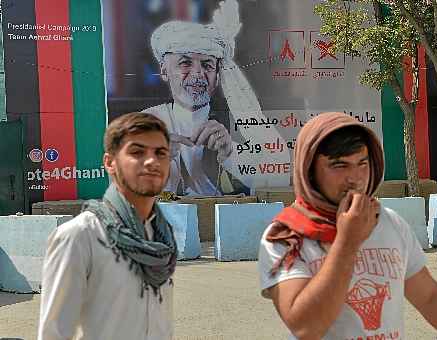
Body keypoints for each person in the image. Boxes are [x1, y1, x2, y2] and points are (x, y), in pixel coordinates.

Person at [258, 112, 437, 339]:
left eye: (362, 163)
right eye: (339, 165)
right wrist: (348, 241)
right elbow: (306, 328)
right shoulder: (284, 237)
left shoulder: (390, 223)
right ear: (309, 171)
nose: (355, 178)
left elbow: (430, 298)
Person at [38, 113, 177, 340]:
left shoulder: (161, 237)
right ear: (110, 163)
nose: (152, 161)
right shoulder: (80, 236)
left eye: (160, 153)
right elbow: (54, 334)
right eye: (137, 152)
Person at [144, 0, 290, 196]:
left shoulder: (239, 121)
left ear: (217, 74)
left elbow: (278, 176)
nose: (198, 74)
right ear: (164, 70)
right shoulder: (148, 122)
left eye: (207, 65)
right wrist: (154, 158)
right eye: (185, 63)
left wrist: (230, 153)